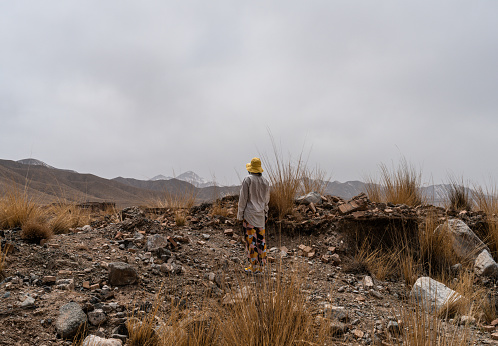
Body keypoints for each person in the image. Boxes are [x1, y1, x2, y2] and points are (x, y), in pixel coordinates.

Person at [237, 157, 271, 274]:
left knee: (251, 241)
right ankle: (262, 267)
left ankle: (253, 266)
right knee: (261, 241)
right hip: (261, 215)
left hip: (249, 216)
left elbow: (243, 199)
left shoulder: (248, 180)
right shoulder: (265, 182)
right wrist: (266, 213)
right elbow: (267, 201)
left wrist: (240, 215)